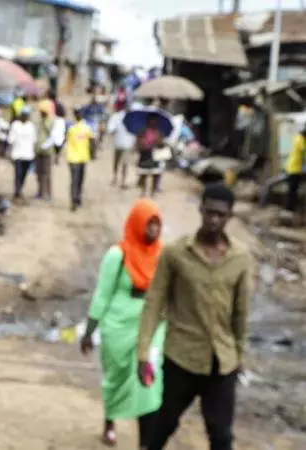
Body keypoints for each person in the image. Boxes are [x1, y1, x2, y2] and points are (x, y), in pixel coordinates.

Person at [139, 184, 253, 450]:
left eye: (221, 215)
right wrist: (143, 352)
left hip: (221, 362)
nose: (214, 220)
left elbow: (240, 311)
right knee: (165, 423)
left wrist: (238, 355)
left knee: (221, 436)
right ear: (200, 210)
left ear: (229, 217)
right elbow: (154, 302)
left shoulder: (240, 258)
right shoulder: (176, 253)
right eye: (209, 212)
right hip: (182, 358)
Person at [80, 199, 166, 448]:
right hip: (118, 324)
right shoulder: (118, 254)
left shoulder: (162, 255)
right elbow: (102, 295)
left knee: (149, 379)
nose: (154, 230)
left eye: (157, 224)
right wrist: (89, 332)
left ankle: (145, 442)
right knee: (116, 377)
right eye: (149, 224)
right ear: (137, 224)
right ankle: (110, 421)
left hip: (151, 325)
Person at [65, 107, 94, 211]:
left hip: (83, 157)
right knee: (75, 180)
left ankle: (78, 198)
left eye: (79, 113)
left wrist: (92, 153)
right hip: (73, 158)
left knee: (80, 180)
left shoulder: (86, 128)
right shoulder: (71, 128)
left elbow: (92, 141)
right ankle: (74, 199)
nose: (78, 115)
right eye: (76, 113)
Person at [35, 103, 65, 201]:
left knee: (47, 174)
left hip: (47, 151)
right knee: (39, 173)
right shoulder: (39, 121)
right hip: (38, 150)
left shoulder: (51, 121)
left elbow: (53, 136)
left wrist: (45, 145)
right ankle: (40, 192)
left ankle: (48, 193)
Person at [8, 108, 37, 201]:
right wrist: (9, 152)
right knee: (18, 174)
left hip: (28, 155)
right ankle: (17, 192)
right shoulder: (15, 125)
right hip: (17, 154)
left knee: (24, 174)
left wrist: (34, 153)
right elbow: (11, 139)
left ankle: (20, 189)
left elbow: (34, 141)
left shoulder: (31, 126)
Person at [135, 113, 166, 198]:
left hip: (155, 156)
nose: (153, 121)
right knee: (143, 174)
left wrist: (158, 142)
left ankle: (153, 191)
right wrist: (142, 144)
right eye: (151, 119)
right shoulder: (142, 130)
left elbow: (162, 143)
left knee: (155, 174)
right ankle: (143, 191)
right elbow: (138, 141)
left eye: (154, 120)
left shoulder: (159, 132)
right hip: (144, 155)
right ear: (148, 120)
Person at [107, 103, 136, 188]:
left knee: (125, 163)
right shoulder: (116, 116)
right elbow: (110, 129)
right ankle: (115, 177)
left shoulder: (132, 118)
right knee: (117, 162)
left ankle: (123, 180)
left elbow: (135, 131)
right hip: (118, 143)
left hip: (127, 144)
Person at [283, 125, 305, 212]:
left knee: (293, 189)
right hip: (294, 169)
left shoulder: (298, 138)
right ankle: (290, 208)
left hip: (294, 168)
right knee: (293, 190)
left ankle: (293, 207)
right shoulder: (301, 140)